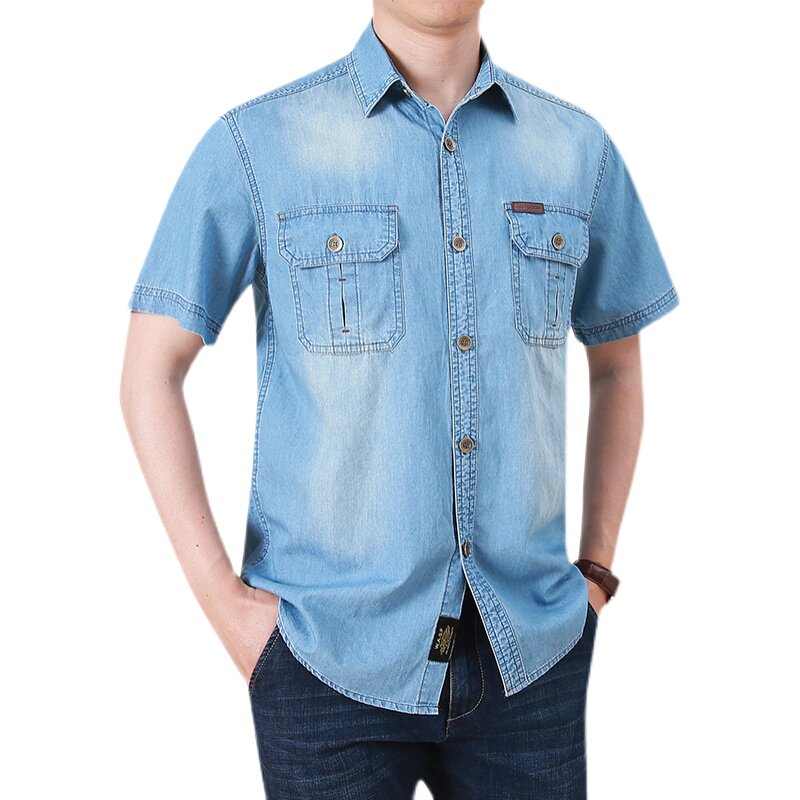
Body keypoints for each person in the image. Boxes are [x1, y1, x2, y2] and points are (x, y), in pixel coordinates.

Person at [120, 2, 679, 798]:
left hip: (530, 657)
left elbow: (618, 367)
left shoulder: (574, 149)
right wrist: (228, 609)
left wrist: (594, 573)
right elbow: (149, 372)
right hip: (324, 658)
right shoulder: (260, 143)